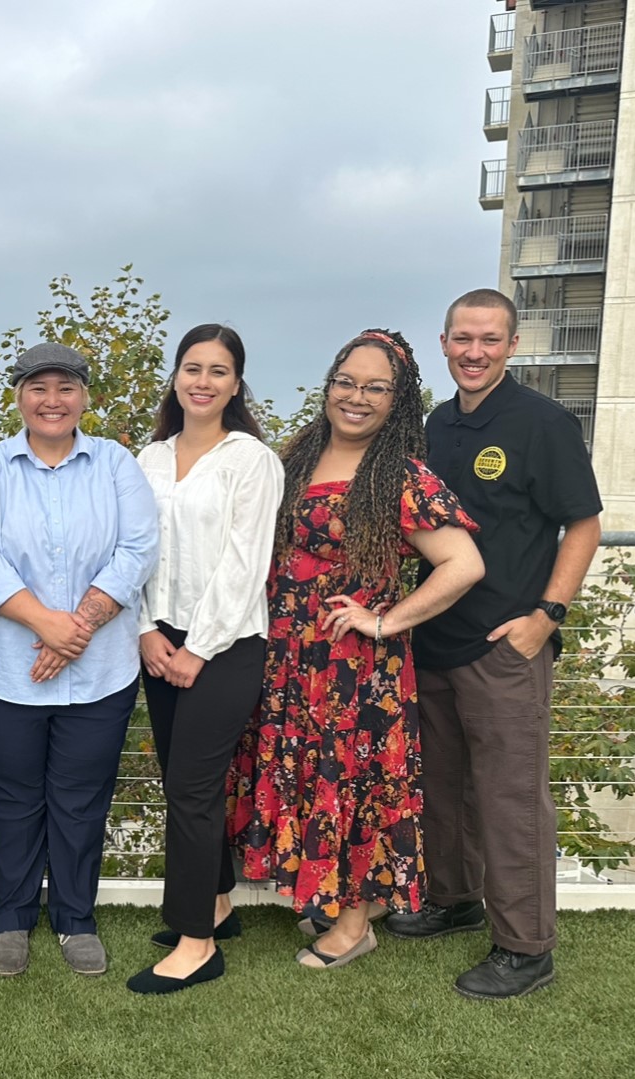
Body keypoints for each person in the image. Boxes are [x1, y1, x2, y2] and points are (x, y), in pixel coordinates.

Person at [228, 329, 484, 970]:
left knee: (353, 782)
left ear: (398, 401)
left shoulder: (401, 474)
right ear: (330, 384)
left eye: (376, 387)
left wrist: (385, 621)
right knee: (309, 776)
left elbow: (463, 564)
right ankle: (324, 896)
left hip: (351, 667)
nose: (357, 397)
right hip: (285, 656)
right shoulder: (295, 456)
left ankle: (355, 925)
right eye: (347, 381)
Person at [386, 289, 602, 1000]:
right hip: (434, 637)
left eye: (488, 339)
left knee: (510, 800)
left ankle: (525, 946)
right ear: (443, 343)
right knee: (442, 790)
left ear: (511, 345)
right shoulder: (435, 423)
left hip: (506, 642)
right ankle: (452, 899)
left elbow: (582, 526)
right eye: (461, 339)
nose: (473, 352)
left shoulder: (542, 423)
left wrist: (544, 616)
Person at [0, 342, 159, 979]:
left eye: (65, 388)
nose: (52, 400)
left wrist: (82, 625)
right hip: (1, 669)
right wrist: (49, 627)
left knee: (80, 799)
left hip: (101, 672)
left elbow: (139, 547)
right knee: (12, 799)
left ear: (84, 397)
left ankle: (76, 918)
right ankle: (11, 917)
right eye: (38, 387)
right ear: (18, 396)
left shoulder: (117, 464)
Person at [127, 325, 283, 994]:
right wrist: (140, 629)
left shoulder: (250, 459)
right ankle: (216, 902)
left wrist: (197, 647)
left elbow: (246, 566)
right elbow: (127, 550)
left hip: (224, 646)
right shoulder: (148, 458)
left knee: (192, 790)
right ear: (174, 376)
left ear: (235, 384)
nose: (202, 380)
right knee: (182, 781)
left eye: (218, 370)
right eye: (192, 367)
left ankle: (196, 942)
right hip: (158, 642)